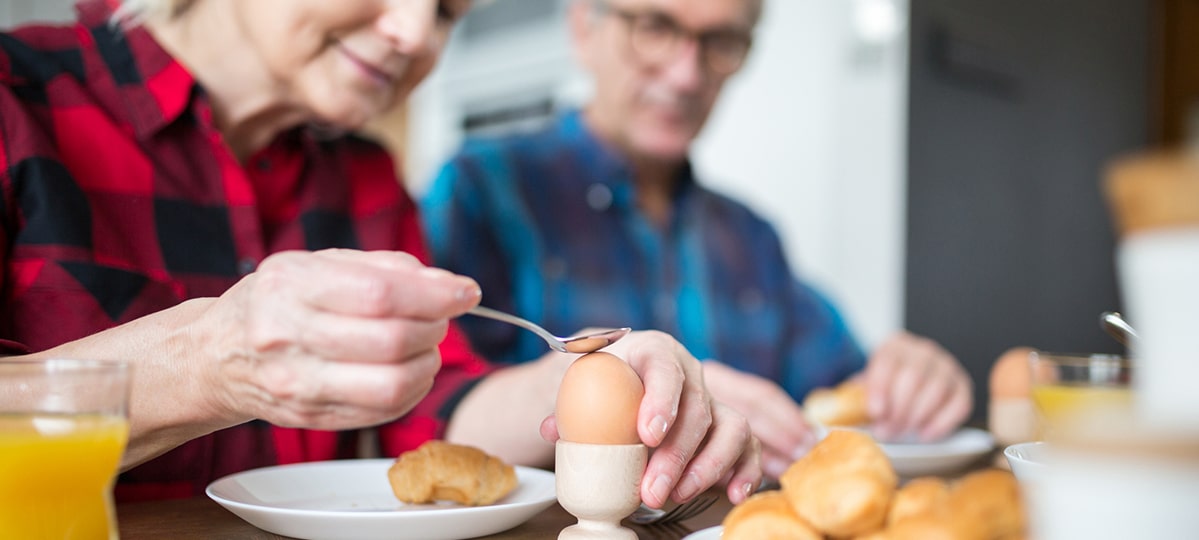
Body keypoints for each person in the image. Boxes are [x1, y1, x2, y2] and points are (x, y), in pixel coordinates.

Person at [0, 0, 761, 508]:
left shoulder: (361, 176)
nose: (413, 33)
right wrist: (206, 359)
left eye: (445, 11)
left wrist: (602, 377)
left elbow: (434, 411)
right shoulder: (15, 99)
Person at [422, 0, 973, 479]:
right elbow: (424, 420)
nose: (688, 74)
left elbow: (842, 393)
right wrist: (668, 401)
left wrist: (903, 383)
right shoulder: (481, 193)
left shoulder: (752, 239)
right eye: (655, 25)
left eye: (720, 40)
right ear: (582, 30)